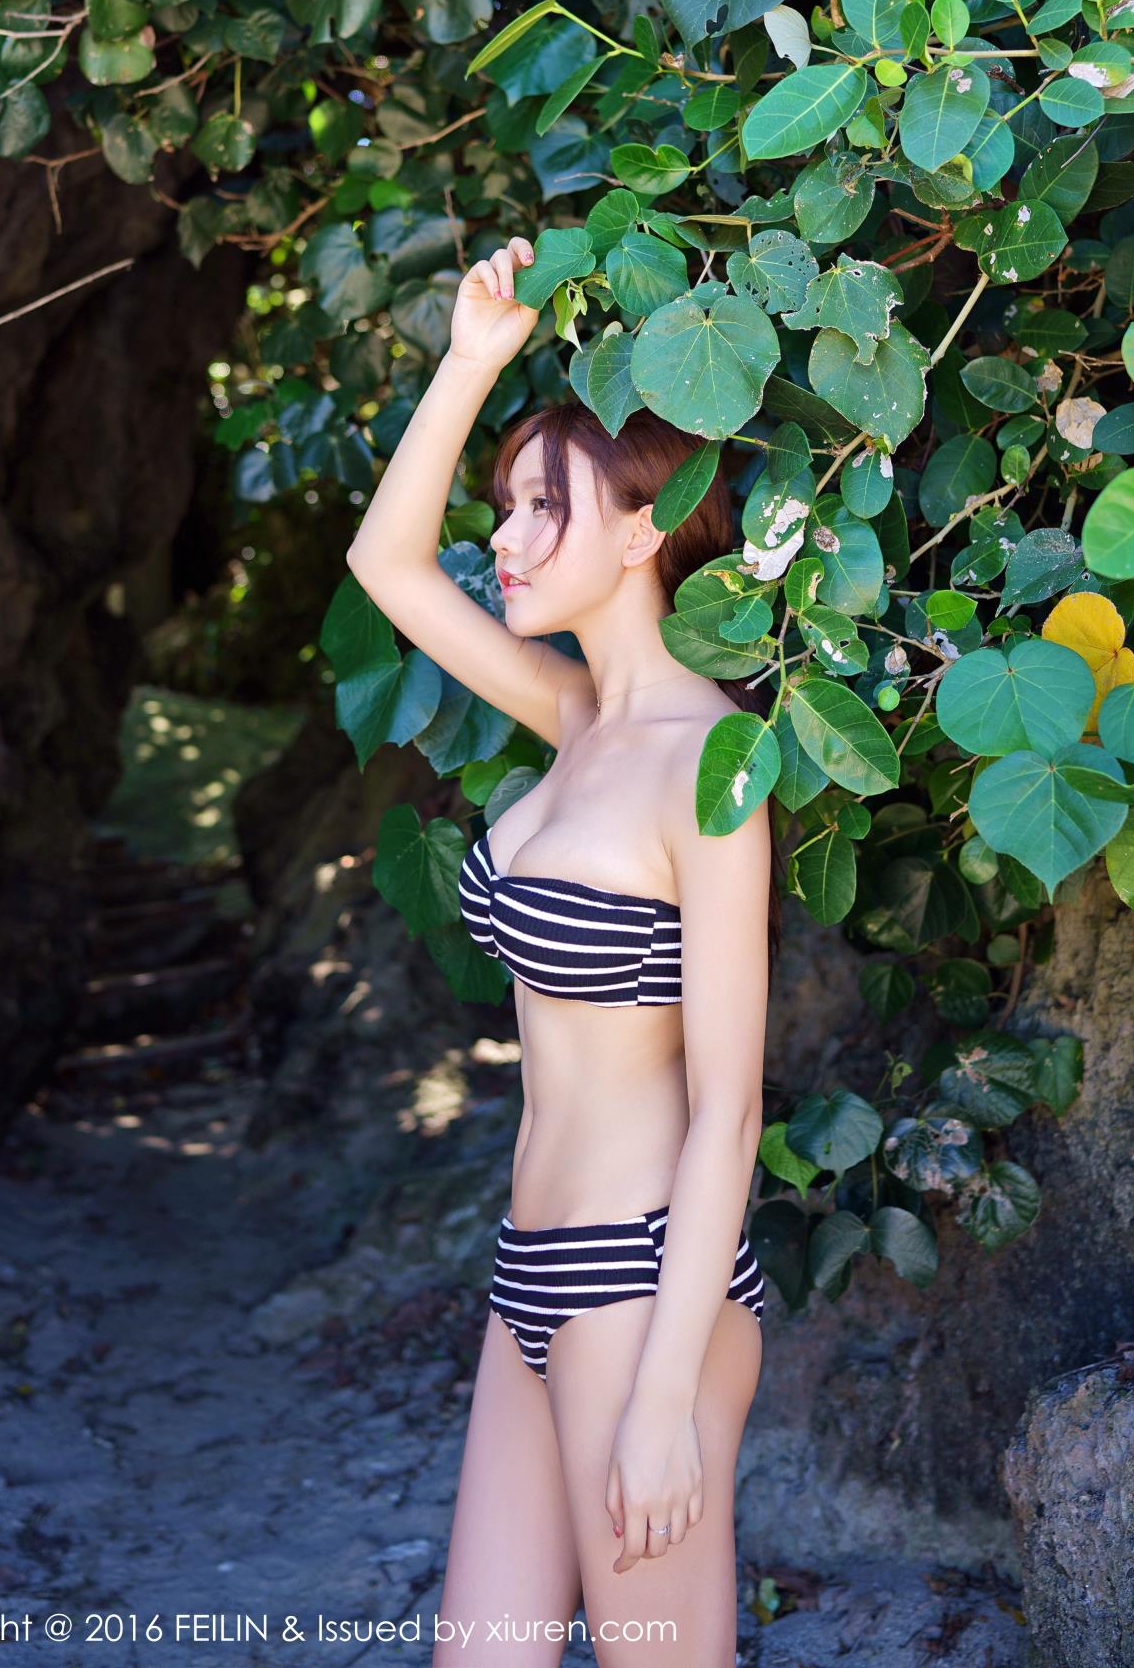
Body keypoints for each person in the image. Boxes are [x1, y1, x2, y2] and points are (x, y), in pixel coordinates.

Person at [345, 234, 779, 1668]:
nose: (508, 540)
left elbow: (727, 1109)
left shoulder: (712, 766)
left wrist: (663, 1398)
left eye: (547, 509)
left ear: (648, 533)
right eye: (506, 508)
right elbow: (387, 564)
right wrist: (474, 361)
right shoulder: (578, 721)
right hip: (529, 1271)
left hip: (643, 1289)